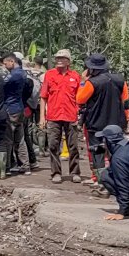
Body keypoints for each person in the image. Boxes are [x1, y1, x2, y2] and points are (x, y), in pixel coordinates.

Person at [77, 53, 129, 189]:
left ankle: (100, 181)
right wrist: (126, 121)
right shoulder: (120, 80)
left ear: (92, 69)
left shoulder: (91, 83)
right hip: (116, 124)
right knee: (114, 152)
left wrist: (82, 81)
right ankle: (116, 179)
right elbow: (126, 102)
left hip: (96, 123)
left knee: (97, 152)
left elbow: (80, 99)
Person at [40, 49, 82, 184]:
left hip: (71, 116)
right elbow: (43, 97)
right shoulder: (49, 75)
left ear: (68, 61)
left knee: (73, 146)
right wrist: (42, 117)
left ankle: (75, 172)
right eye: (57, 57)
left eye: (62, 58)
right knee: (53, 145)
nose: (59, 60)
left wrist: (79, 115)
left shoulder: (75, 76)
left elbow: (79, 97)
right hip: (53, 116)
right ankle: (56, 173)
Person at [1, 52, 30, 175]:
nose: (4, 66)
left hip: (11, 109)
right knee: (20, 138)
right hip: (19, 107)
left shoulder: (14, 75)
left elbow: (2, 84)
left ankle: (7, 166)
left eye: (5, 63)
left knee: (9, 138)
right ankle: (24, 165)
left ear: (12, 62)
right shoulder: (22, 74)